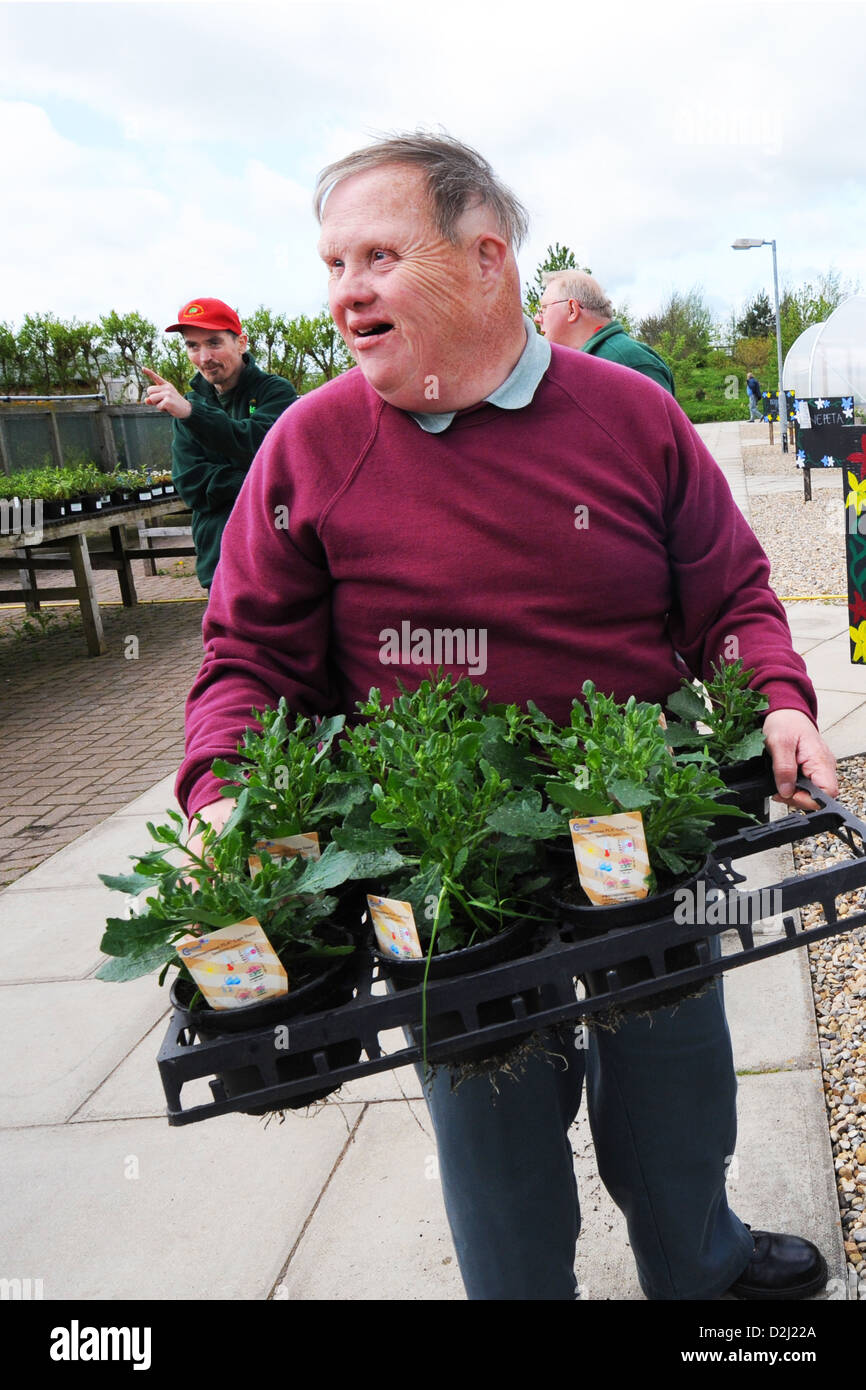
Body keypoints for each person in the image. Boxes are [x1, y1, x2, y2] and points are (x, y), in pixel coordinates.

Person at [175, 133, 837, 1301]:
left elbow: (727, 592)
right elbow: (248, 656)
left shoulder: (629, 416)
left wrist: (776, 700)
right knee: (490, 1133)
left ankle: (701, 1265)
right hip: (443, 866)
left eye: (378, 254)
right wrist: (224, 787)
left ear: (486, 259)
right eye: (332, 263)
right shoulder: (310, 443)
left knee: (676, 1080)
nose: (344, 292)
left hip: (632, 823)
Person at [143, 297, 298, 590]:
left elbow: (262, 449)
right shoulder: (192, 403)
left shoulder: (274, 392)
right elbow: (191, 484)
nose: (204, 358)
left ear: (241, 342)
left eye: (214, 343)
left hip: (277, 553)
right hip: (219, 557)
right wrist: (253, 477)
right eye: (193, 346)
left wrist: (193, 416)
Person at [536, 269, 676, 395]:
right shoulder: (588, 362)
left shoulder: (630, 362)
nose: (537, 318)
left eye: (544, 308)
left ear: (572, 309)